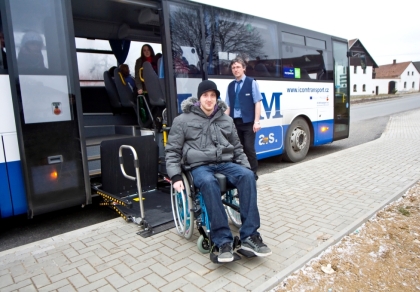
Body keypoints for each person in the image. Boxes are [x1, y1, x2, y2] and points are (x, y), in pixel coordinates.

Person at [165, 80, 271, 263]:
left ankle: (249, 237)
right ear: (199, 98)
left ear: (216, 98)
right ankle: (222, 241)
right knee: (208, 182)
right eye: (205, 95)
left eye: (212, 95)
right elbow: (173, 150)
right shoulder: (183, 120)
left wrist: (247, 168)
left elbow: (238, 149)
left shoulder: (226, 119)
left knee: (247, 176)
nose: (209, 99)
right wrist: (175, 176)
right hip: (199, 166)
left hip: (224, 162)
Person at [225, 57, 262, 179]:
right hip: (235, 123)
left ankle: (253, 175)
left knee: (249, 148)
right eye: (233, 68)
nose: (236, 70)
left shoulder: (252, 83)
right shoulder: (230, 86)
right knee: (237, 150)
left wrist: (256, 121)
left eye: (238, 67)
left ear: (244, 69)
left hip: (248, 123)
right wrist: (224, 122)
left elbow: (257, 102)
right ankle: (242, 176)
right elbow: (228, 106)